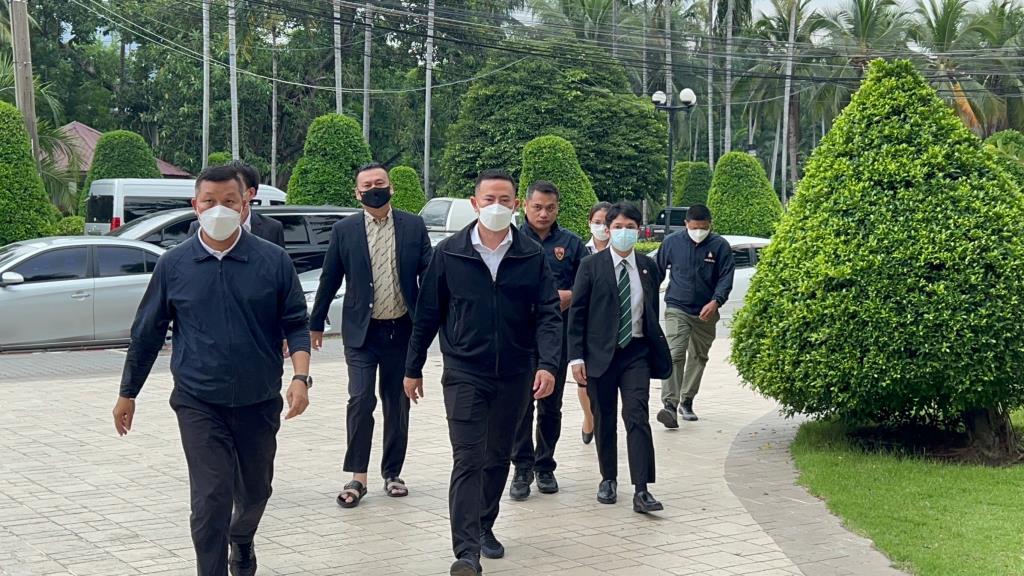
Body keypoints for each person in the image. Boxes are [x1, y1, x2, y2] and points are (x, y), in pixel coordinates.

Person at [113, 164, 312, 576]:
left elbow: (295, 322)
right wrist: (127, 393)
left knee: (256, 493)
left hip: (258, 399)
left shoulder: (272, 260)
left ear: (245, 205)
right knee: (210, 499)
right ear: (195, 205)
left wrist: (300, 377)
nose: (218, 209)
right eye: (209, 201)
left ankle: (242, 538)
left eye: (229, 201)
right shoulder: (174, 265)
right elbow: (147, 333)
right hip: (198, 400)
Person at [403, 169, 562, 576]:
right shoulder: (449, 253)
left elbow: (548, 313)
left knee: (496, 457)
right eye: (489, 199)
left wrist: (547, 364)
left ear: (515, 205)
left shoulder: (530, 255)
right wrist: (412, 368)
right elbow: (427, 314)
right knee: (468, 457)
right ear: (475, 203)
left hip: (515, 372)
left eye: (505, 200)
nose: (497, 206)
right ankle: (466, 552)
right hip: (464, 370)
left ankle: (484, 524)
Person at [309, 162, 432, 508]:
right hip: (362, 333)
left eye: (380, 183)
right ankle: (357, 476)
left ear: (391, 188)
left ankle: (392, 473)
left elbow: (430, 272)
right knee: (361, 400)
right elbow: (330, 277)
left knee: (397, 404)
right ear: (357, 193)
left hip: (401, 330)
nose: (374, 189)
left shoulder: (413, 225)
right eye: (367, 186)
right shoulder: (344, 230)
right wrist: (315, 322)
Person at [569, 202, 672, 514]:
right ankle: (608, 479)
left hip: (636, 353)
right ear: (607, 229)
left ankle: (642, 489)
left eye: (630, 227)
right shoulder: (591, 266)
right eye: (617, 227)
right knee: (604, 417)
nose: (623, 232)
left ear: (638, 230)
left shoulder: (648, 267)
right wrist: (576, 357)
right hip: (599, 355)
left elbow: (650, 311)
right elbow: (577, 313)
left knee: (637, 415)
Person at [509, 180, 585, 501]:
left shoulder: (572, 243)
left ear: (557, 208)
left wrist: (567, 296)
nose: (543, 214)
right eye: (537, 207)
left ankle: (545, 465)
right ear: (525, 206)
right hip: (518, 337)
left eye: (550, 208)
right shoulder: (511, 240)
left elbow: (586, 286)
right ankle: (521, 467)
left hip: (557, 336)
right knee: (520, 406)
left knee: (550, 405)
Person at [655, 203, 735, 427]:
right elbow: (657, 272)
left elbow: (726, 277)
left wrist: (716, 301)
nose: (699, 231)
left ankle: (687, 400)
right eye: (694, 227)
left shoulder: (720, 246)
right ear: (686, 224)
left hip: (706, 310)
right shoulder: (671, 243)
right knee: (675, 353)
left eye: (703, 227)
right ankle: (669, 405)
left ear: (710, 225)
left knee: (698, 356)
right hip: (677, 306)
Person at [189, 160, 286, 249]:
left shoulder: (272, 228)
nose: (219, 208)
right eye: (209, 200)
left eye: (236, 186)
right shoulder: (198, 227)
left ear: (251, 193)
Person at [578, 201, 612, 445]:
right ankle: (589, 417)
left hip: (611, 323)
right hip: (585, 322)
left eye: (606, 223)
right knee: (584, 376)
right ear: (590, 222)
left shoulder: (621, 251)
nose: (601, 228)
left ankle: (604, 419)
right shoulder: (580, 251)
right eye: (597, 222)